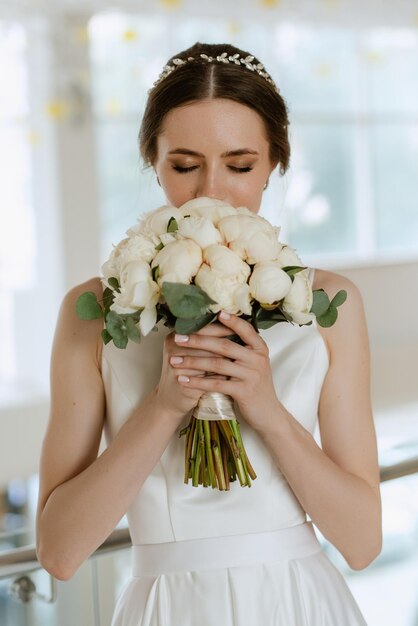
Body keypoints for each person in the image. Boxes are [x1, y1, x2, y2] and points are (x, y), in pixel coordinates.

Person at [36, 42, 382, 625]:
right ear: (153, 160)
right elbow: (61, 553)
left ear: (275, 162)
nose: (210, 194)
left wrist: (265, 407)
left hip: (298, 603)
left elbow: (363, 543)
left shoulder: (331, 305)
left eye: (240, 166)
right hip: (167, 609)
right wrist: (165, 405)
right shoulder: (93, 311)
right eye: (184, 165)